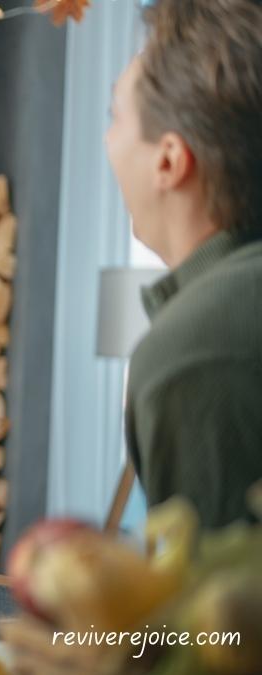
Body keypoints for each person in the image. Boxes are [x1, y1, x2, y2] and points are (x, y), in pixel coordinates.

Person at [106, 0, 262, 528]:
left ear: (168, 161)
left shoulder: (192, 357)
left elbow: (210, 608)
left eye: (115, 117)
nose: (108, 142)